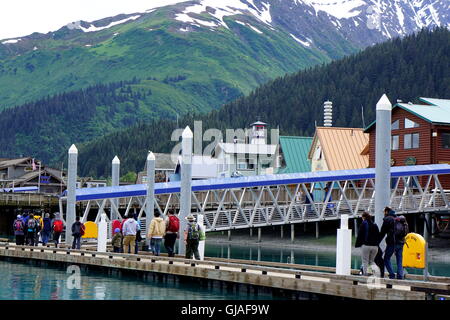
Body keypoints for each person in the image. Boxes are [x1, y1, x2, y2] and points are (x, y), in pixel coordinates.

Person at [379, 207, 409, 279]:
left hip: (392, 243)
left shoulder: (388, 219)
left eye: (384, 212)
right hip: (401, 242)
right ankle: (400, 276)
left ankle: (392, 275)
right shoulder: (399, 219)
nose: (383, 213)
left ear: (386, 211)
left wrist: (377, 242)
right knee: (399, 260)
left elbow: (383, 232)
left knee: (386, 258)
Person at [355, 212, 381, 277]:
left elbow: (360, 235)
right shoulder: (375, 224)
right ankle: (376, 273)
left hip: (366, 246)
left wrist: (358, 244)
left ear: (364, 217)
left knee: (365, 261)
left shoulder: (364, 223)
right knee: (371, 261)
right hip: (375, 247)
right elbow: (378, 235)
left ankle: (365, 276)